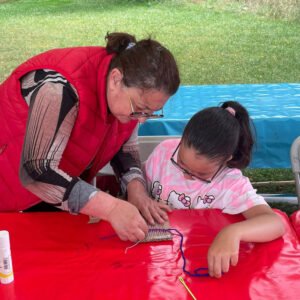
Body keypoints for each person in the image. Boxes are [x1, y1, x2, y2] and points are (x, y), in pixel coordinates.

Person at [0, 32, 180, 242]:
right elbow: (36, 172)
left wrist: (136, 190)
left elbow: (122, 148)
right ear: (115, 79)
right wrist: (111, 207)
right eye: (140, 110)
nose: (141, 121)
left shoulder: (128, 96)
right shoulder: (56, 88)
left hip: (55, 187)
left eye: (151, 113)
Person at [143, 101, 285, 278]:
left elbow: (275, 223)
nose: (187, 176)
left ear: (226, 159)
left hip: (199, 261)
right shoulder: (164, 152)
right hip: (158, 262)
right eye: (181, 163)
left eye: (201, 173)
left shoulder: (230, 183)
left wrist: (233, 232)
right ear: (182, 139)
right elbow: (140, 184)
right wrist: (142, 198)